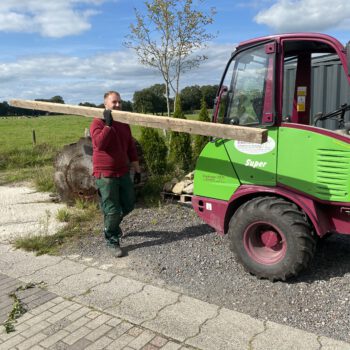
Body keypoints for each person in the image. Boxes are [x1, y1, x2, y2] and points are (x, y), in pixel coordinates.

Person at [90, 91, 141, 257]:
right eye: (114, 102)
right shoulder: (97, 122)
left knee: (129, 204)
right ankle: (112, 239)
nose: (118, 105)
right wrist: (108, 125)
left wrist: (136, 167)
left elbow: (130, 148)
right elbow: (100, 143)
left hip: (122, 171)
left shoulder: (124, 123)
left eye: (120, 102)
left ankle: (110, 224)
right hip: (105, 174)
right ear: (106, 104)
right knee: (112, 210)